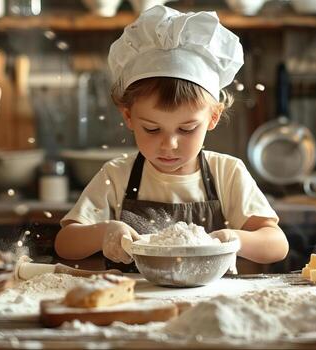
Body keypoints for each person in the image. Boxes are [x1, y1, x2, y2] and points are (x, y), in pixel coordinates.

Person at [55, 5, 289, 272]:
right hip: (136, 307)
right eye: (152, 129)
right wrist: (104, 232)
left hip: (208, 307)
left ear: (213, 117)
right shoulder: (117, 175)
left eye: (187, 129)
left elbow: (277, 244)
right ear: (129, 116)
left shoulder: (227, 173)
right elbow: (65, 243)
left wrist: (232, 239)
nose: (169, 144)